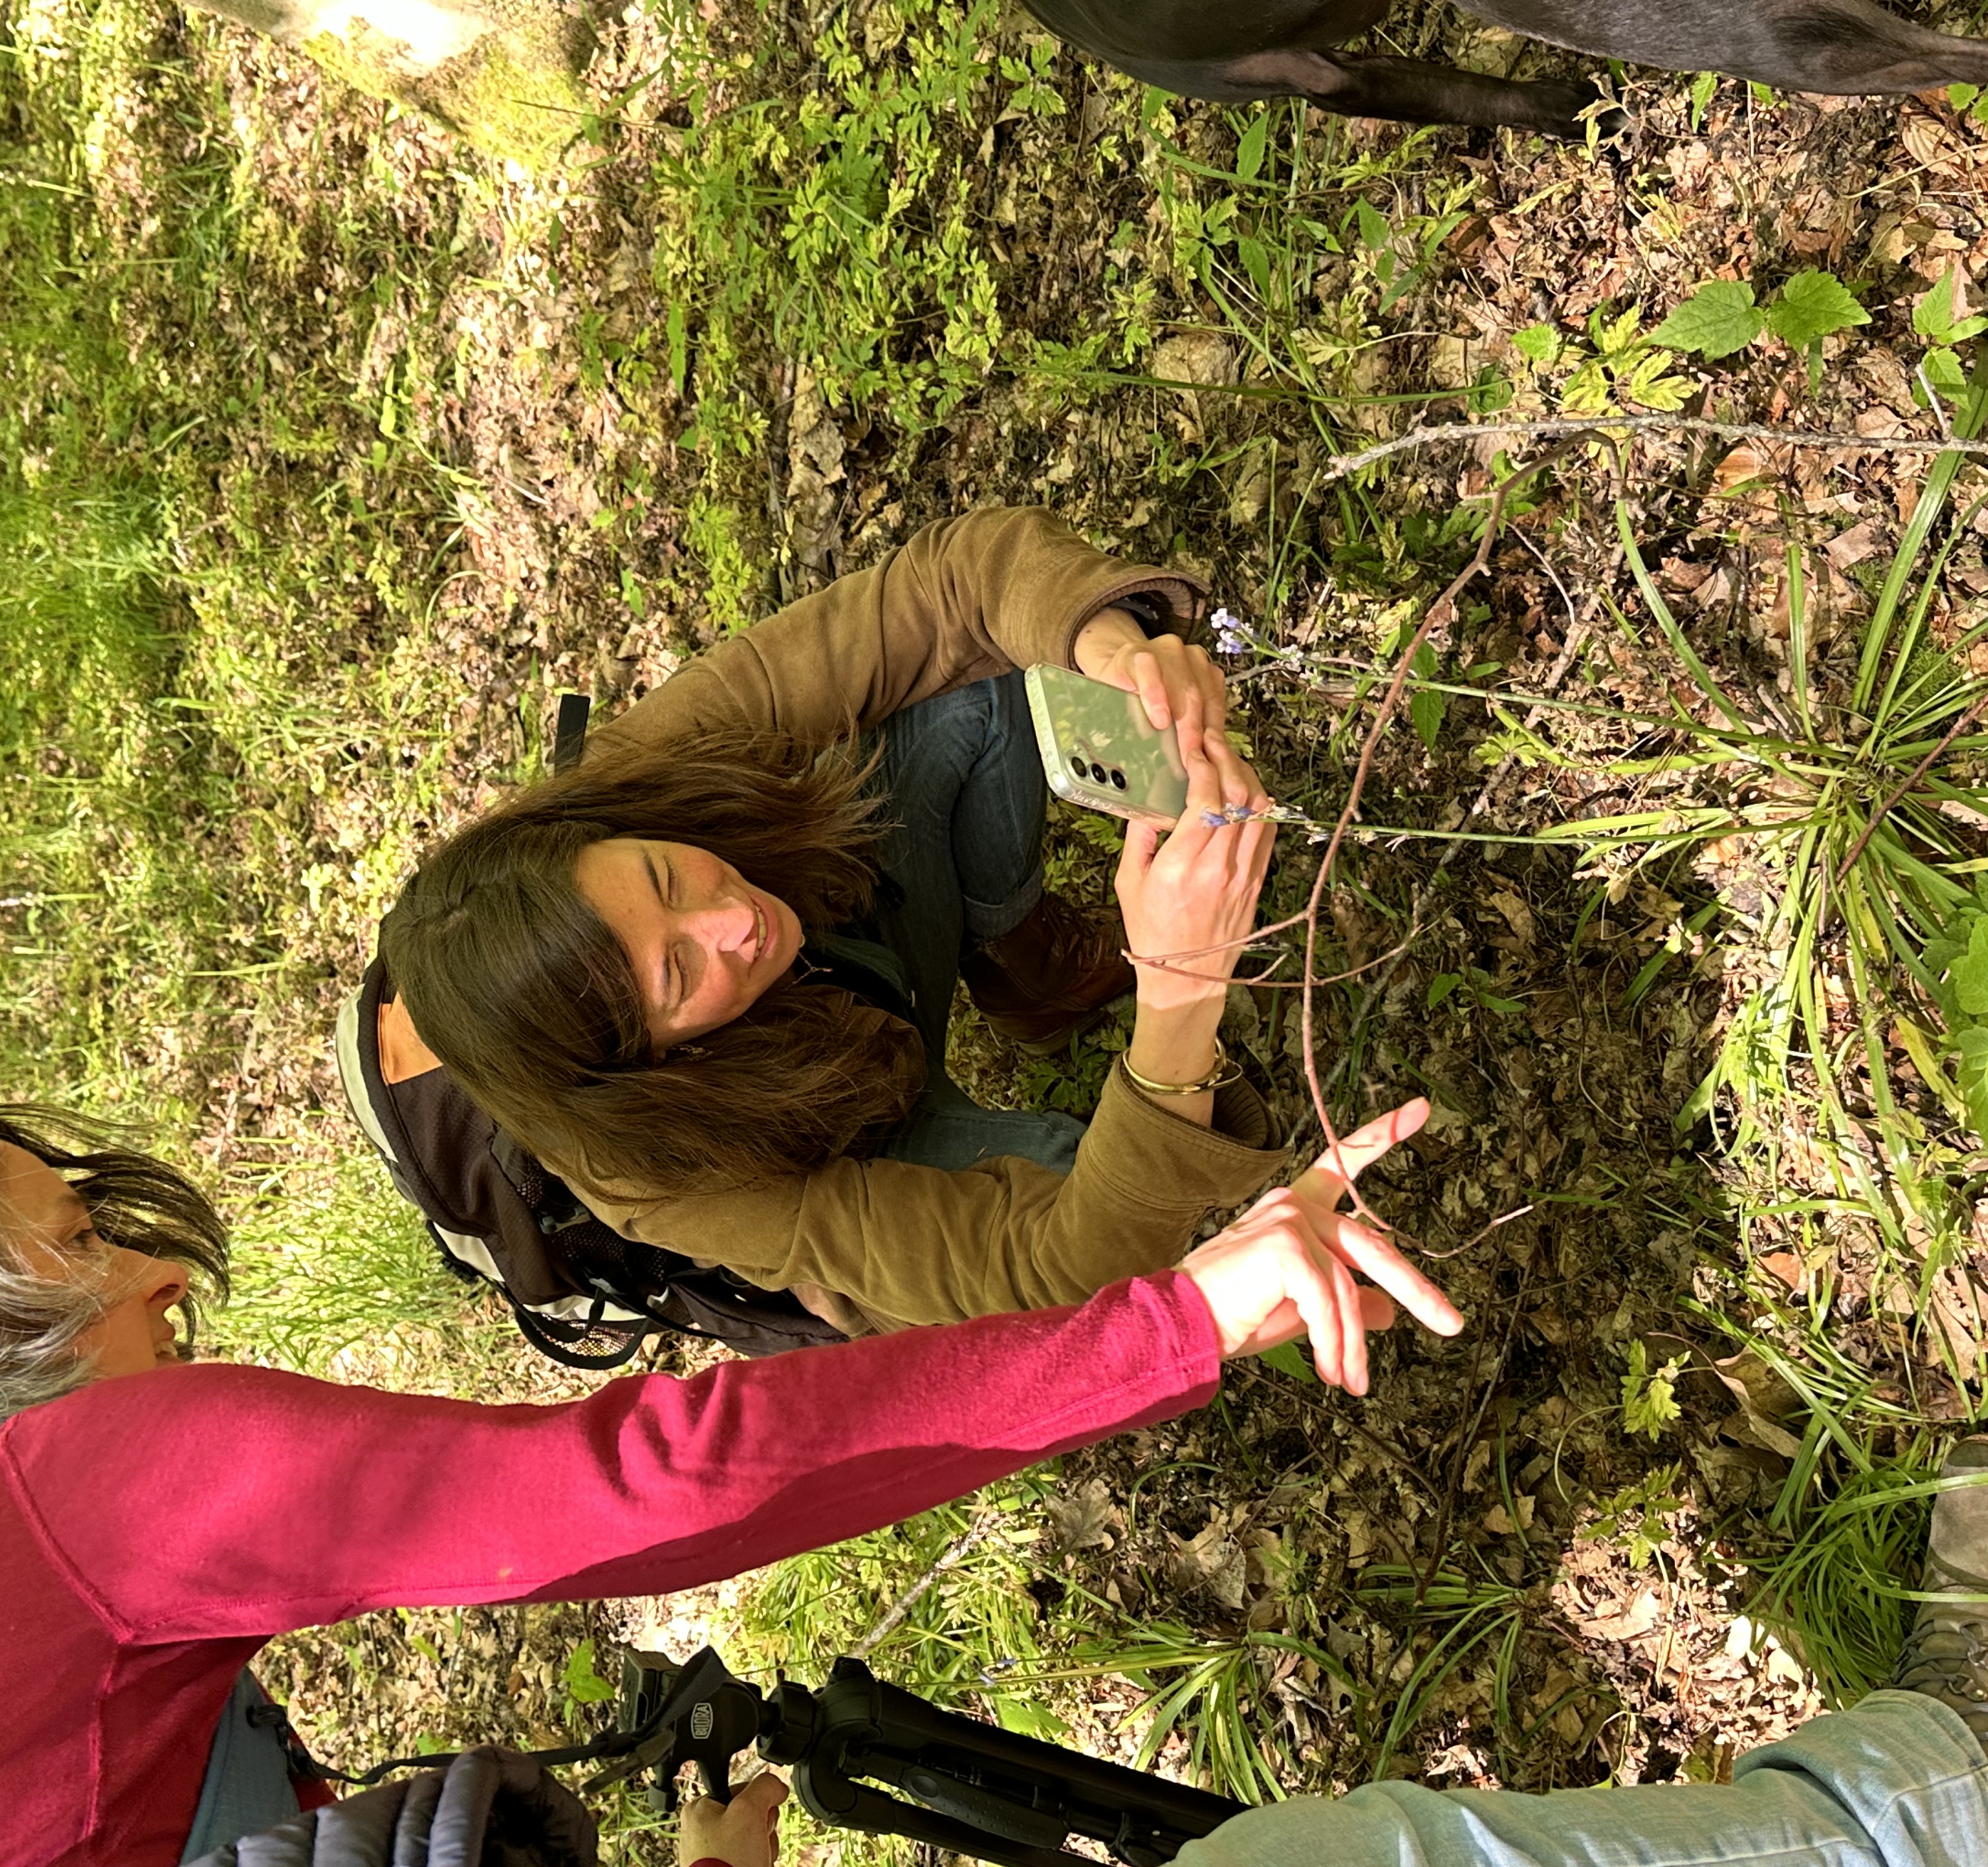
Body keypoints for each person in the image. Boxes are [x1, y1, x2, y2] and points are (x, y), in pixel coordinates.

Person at [0, 1096, 1454, 1867]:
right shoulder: (61, 1507)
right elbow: (654, 1482)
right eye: (80, 1232)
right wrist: (1181, 1319)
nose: (153, 1269)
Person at [377, 506, 1308, 1338]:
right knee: (1127, 1229)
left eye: (668, 876)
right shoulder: (666, 1173)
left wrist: (1110, 651)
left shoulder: (636, 782)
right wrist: (1179, 997)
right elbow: (1064, 1269)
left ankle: (1030, 970)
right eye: (676, 973)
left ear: (612, 833)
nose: (730, 923)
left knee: (974, 683)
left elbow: (947, 589)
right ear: (651, 1062)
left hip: (855, 961)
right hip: (838, 1125)